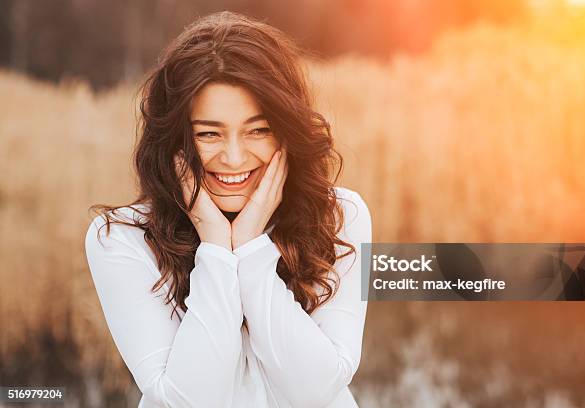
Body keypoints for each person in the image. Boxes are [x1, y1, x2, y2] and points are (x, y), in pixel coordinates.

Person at [85, 11, 372, 408]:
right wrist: (217, 248)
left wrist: (252, 250)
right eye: (208, 133)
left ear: (287, 132)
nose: (234, 157)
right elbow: (188, 400)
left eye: (258, 130)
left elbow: (317, 389)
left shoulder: (342, 215)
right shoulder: (121, 239)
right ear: (174, 138)